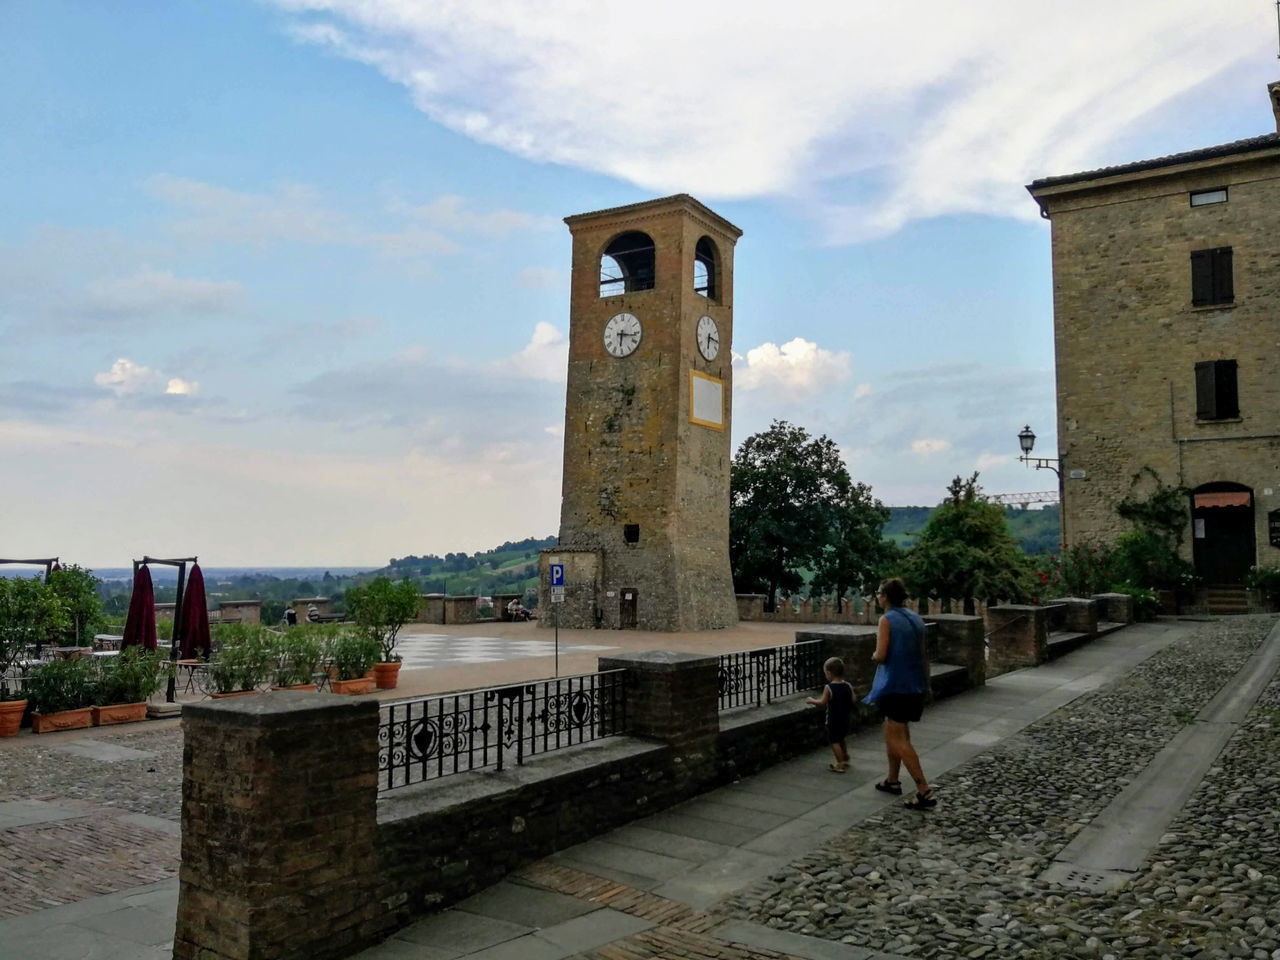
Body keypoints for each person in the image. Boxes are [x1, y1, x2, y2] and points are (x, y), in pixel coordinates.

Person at [864, 577, 936, 810]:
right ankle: (892, 780)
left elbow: (882, 655)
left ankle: (924, 790)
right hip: (915, 684)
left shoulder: (887, 620)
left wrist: (874, 655)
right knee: (892, 731)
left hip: (895, 686)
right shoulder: (915, 618)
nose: (877, 596)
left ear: (884, 597)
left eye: (879, 593)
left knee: (899, 739)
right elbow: (924, 655)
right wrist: (928, 685)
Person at [806, 656, 854, 772]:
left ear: (829, 673)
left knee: (834, 741)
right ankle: (846, 758)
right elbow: (853, 699)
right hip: (845, 718)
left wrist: (812, 700)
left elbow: (822, 702)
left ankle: (840, 763)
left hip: (833, 720)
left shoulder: (829, 687)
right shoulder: (848, 685)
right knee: (841, 738)